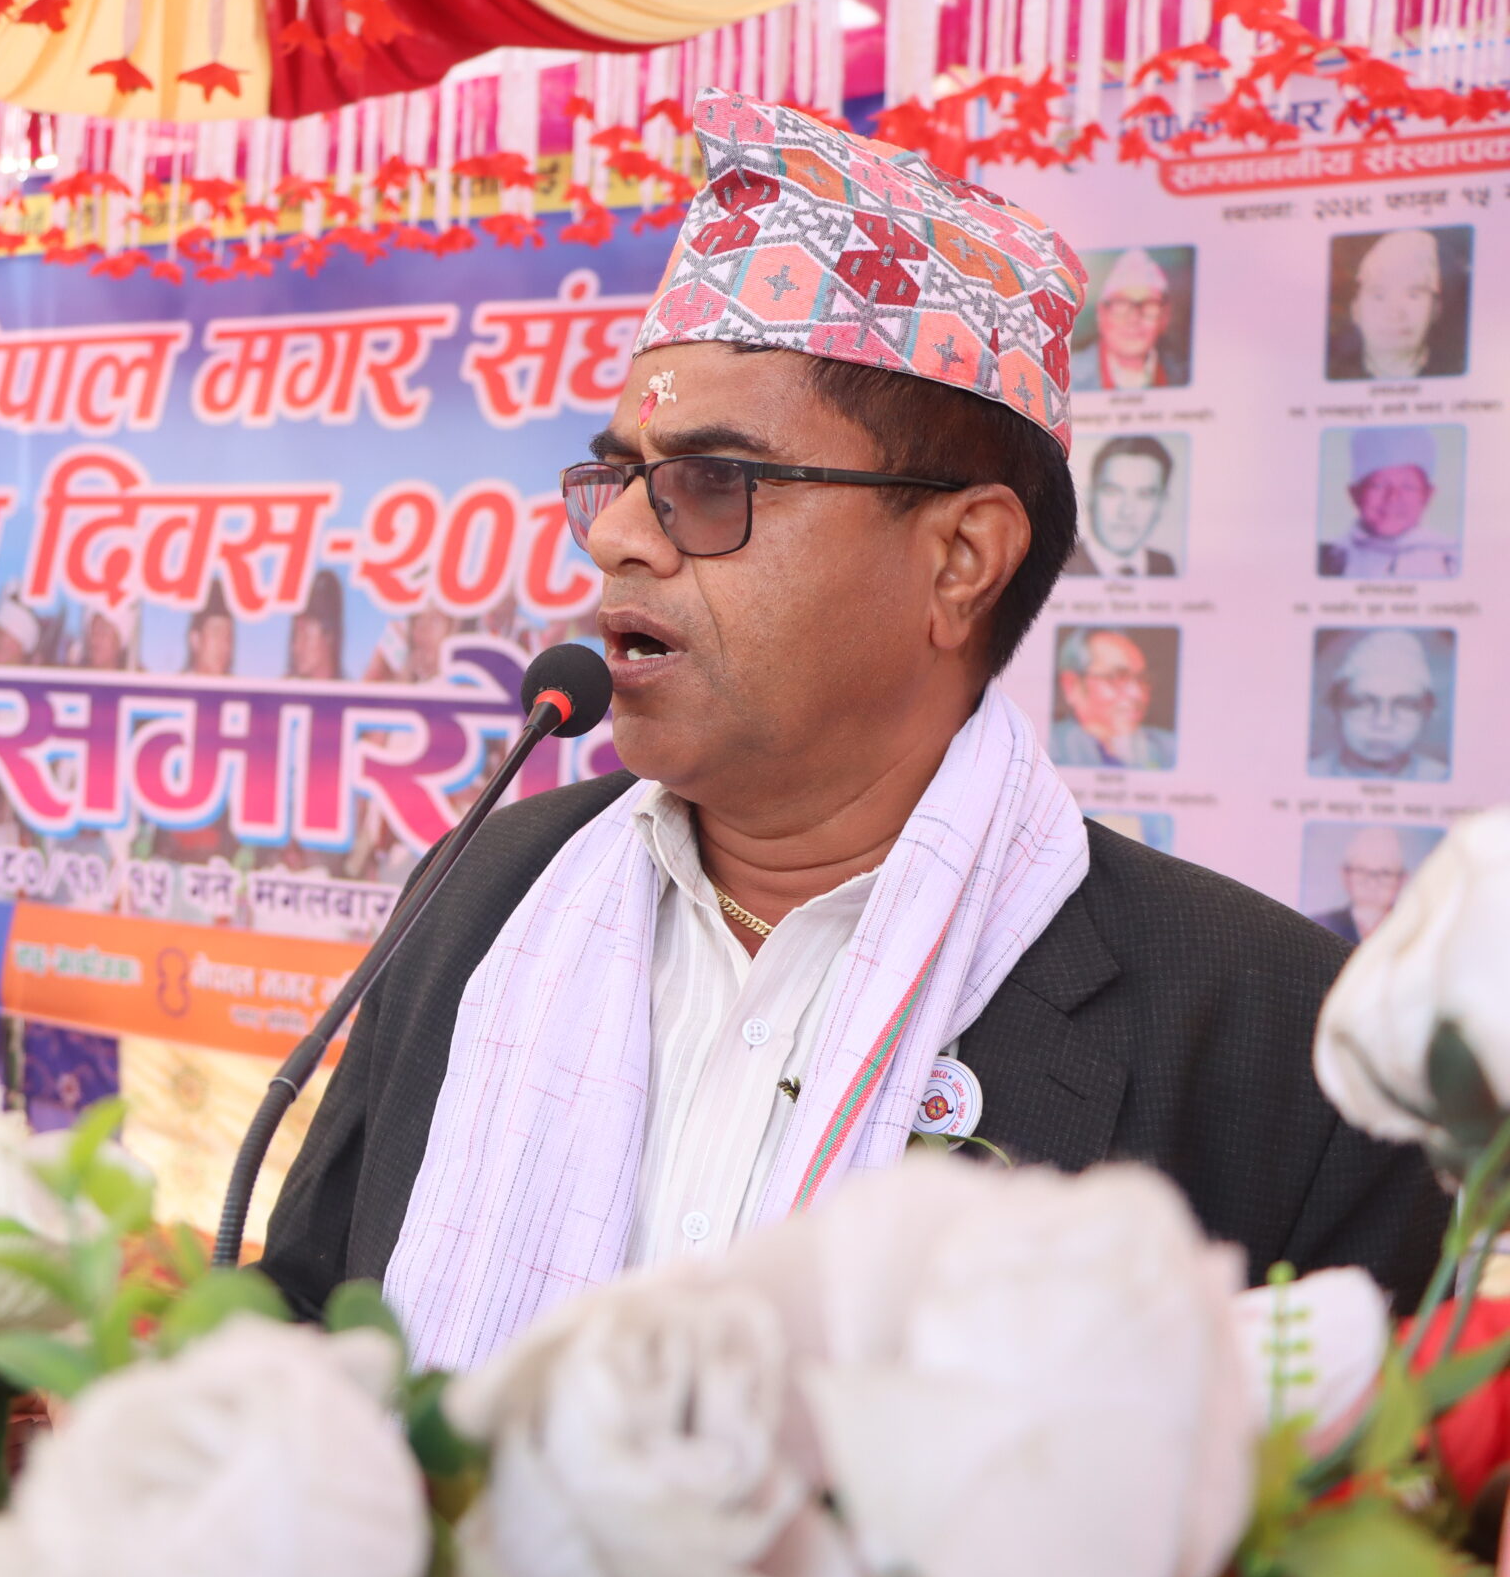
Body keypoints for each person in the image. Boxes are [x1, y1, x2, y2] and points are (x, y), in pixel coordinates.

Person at [260, 90, 1444, 1371]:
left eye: (710, 483)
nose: (619, 537)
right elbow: (313, 1316)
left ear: (960, 560)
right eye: (619, 477)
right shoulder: (491, 886)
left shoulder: (1274, 1041)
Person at [1320, 427, 1460, 579]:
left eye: (1408, 487)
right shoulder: (1329, 559)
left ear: (1428, 495)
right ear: (1354, 493)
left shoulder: (1452, 559)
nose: (1393, 497)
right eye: (1379, 486)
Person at [1311, 628, 1450, 780]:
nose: (1383, 723)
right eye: (1362, 704)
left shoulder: (1442, 778)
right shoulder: (1309, 774)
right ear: (1334, 710)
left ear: (1429, 715)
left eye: (1405, 706)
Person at [1329, 228, 1466, 380]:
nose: (1395, 314)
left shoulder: (1457, 370)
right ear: (1355, 310)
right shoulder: (1332, 372)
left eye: (1413, 295)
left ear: (1436, 309)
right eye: (1379, 296)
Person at [1048, 627, 1176, 769]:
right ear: (1072, 685)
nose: (1137, 693)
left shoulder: (1169, 749)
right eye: (1118, 677)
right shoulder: (1046, 749)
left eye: (1142, 679)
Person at [1063, 435, 1178, 576]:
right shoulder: (1062, 566)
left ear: (1163, 504)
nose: (1127, 511)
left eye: (1144, 495)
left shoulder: (1166, 566)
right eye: (1113, 492)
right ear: (1089, 496)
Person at [1073, 247, 1179, 390]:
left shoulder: (1183, 374)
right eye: (1121, 304)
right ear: (1101, 314)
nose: (1134, 318)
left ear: (1165, 316)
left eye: (1149, 304)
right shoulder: (1068, 376)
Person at [1311, 824, 1412, 945]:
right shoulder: (1317, 928)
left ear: (1403, 880)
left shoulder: (1418, 931)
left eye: (1385, 873)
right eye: (1362, 870)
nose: (1372, 883)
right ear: (1345, 875)